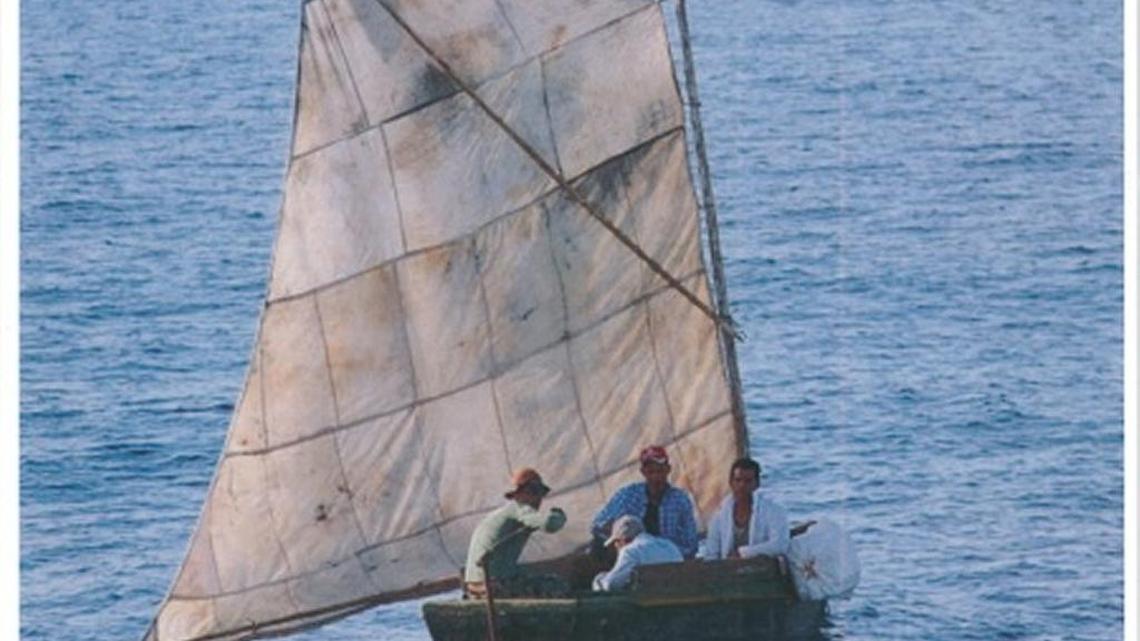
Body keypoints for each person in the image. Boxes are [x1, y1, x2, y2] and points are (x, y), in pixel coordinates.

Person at [463, 468, 569, 599]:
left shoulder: (500, 514)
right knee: (557, 585)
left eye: (541, 494)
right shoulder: (519, 510)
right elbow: (550, 524)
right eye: (535, 492)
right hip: (494, 586)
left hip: (475, 587)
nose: (539, 500)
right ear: (522, 493)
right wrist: (559, 515)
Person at [591, 445, 699, 559]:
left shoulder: (680, 500)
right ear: (643, 472)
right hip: (630, 556)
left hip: (666, 560)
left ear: (668, 470)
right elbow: (597, 525)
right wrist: (617, 532)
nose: (656, 477)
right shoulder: (628, 495)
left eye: (660, 471)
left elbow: (690, 545)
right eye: (651, 472)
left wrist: (664, 552)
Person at [699, 457, 789, 560]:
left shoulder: (774, 511)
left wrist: (743, 553)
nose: (742, 485)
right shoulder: (719, 516)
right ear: (731, 483)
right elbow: (711, 554)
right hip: (728, 572)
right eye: (738, 480)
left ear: (757, 484)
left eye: (748, 481)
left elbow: (780, 545)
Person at [592, 515, 682, 591]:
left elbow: (612, 584)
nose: (616, 547)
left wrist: (599, 580)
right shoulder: (670, 546)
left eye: (616, 542)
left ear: (622, 540)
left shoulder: (630, 551)